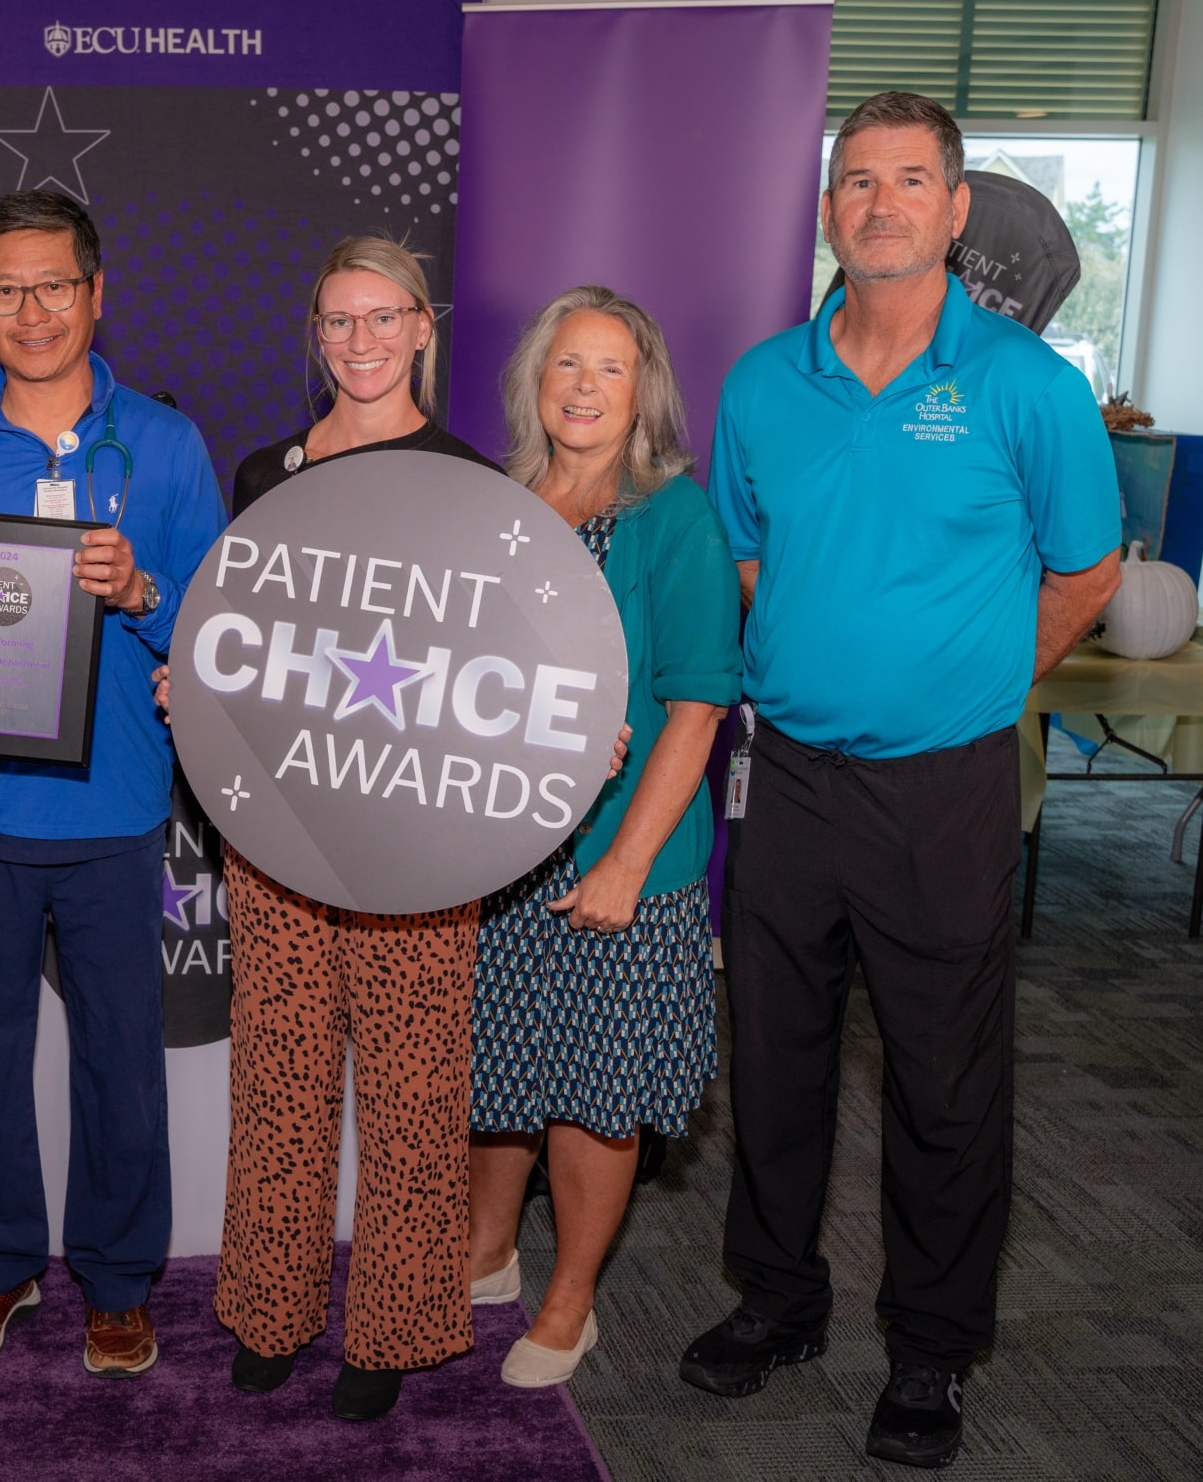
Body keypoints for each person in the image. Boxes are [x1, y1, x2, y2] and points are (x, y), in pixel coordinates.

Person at [684, 91, 1120, 1470]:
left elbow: (1088, 570)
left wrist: (978, 679)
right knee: (777, 1054)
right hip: (791, 777)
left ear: (954, 209)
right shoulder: (763, 382)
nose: (880, 203)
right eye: (856, 181)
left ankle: (932, 1349)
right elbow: (750, 558)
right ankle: (778, 1298)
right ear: (829, 210)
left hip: (944, 788)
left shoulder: (1028, 388)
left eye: (910, 179)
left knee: (945, 1078)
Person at [0, 189, 226, 1379]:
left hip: (120, 812)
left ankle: (119, 1284)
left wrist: (145, 596)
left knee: (122, 1059)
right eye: (7, 290)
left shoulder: (164, 446)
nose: (32, 311)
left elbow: (224, 630)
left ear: (96, 293)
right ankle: (1, 1265)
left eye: (54, 285)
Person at [208, 235, 498, 1422]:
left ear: (424, 326)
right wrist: (201, 682)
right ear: (314, 335)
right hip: (282, 830)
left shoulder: (474, 482)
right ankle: (270, 1308)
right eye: (339, 322)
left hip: (421, 846)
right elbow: (246, 646)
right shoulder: (259, 475)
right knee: (277, 1078)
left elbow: (499, 671)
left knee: (413, 1088)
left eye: (384, 319)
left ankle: (390, 1326)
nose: (361, 342)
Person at [464, 286, 740, 1390]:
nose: (583, 386)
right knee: (495, 1073)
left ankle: (570, 1299)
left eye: (609, 368)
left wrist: (625, 864)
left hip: (623, 862)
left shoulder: (676, 515)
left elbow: (700, 703)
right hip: (497, 861)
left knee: (594, 1089)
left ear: (644, 393)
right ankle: (486, 1256)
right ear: (537, 381)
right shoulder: (496, 503)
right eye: (564, 364)